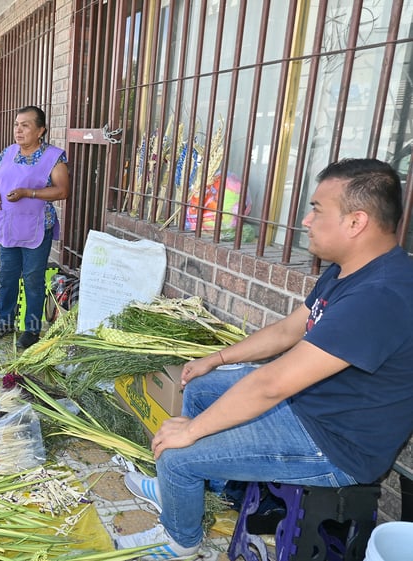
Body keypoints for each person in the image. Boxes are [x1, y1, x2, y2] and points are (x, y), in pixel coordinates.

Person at [117, 158, 413, 560]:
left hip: (336, 445)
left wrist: (192, 433)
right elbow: (288, 330)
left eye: (317, 210)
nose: (306, 221)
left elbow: (272, 384)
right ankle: (202, 491)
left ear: (356, 222)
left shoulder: (381, 294)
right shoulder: (351, 269)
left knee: (176, 454)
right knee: (201, 387)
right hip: (315, 408)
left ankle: (180, 541)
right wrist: (216, 359)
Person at [0, 106, 70, 350]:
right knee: (7, 276)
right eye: (16, 125)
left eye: (25, 125)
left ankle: (32, 329)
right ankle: (6, 322)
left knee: (33, 279)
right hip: (8, 227)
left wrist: (28, 193)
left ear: (41, 130)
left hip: (36, 227)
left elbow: (63, 190)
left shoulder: (53, 157)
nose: (18, 130)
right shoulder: (8, 152)